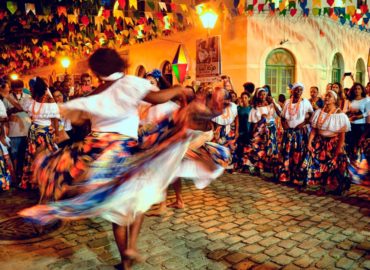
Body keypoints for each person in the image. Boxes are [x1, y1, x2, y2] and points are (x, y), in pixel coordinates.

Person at [18, 48, 211, 270]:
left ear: (96, 71)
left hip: (99, 152)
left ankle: (126, 262)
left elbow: (78, 119)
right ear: (118, 64)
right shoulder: (129, 83)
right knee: (137, 202)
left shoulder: (94, 94)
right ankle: (131, 248)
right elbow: (156, 97)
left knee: (117, 211)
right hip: (124, 149)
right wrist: (178, 89)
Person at [305, 90, 351, 194]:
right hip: (320, 142)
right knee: (321, 165)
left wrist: (337, 152)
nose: (326, 98)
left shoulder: (340, 115)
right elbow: (314, 129)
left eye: (329, 96)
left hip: (333, 143)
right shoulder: (319, 112)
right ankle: (323, 187)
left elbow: (342, 136)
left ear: (335, 100)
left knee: (334, 164)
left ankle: (337, 186)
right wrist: (309, 142)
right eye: (326, 96)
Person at [279, 82, 313, 186]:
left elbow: (312, 114)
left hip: (299, 133)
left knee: (298, 154)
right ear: (292, 91)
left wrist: (303, 123)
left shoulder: (305, 102)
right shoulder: (288, 102)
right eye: (296, 90)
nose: (298, 92)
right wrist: (284, 125)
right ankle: (287, 175)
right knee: (287, 153)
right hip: (289, 132)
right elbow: (282, 116)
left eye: (300, 90)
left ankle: (297, 176)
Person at [243, 88, 281, 177]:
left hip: (270, 130)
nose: (263, 96)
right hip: (259, 131)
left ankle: (267, 168)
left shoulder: (271, 105)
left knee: (269, 149)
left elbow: (279, 113)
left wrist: (273, 102)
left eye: (264, 94)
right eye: (261, 94)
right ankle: (255, 166)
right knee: (257, 148)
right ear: (257, 96)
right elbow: (252, 122)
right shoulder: (255, 108)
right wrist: (252, 133)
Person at [346, 83, 369, 159]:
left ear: (362, 90)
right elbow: (348, 110)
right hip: (351, 124)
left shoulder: (366, 99)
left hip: (361, 124)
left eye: (359, 89)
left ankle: (360, 162)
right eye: (355, 89)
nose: (357, 90)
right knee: (351, 143)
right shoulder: (351, 100)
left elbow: (368, 112)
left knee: (360, 144)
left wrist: (358, 117)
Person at [236, 92, 252, 171]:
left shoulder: (251, 109)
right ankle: (240, 164)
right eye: (243, 98)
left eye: (246, 97)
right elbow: (237, 120)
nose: (244, 99)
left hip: (248, 130)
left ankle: (246, 166)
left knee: (247, 148)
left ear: (249, 98)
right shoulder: (238, 108)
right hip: (241, 130)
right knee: (240, 147)